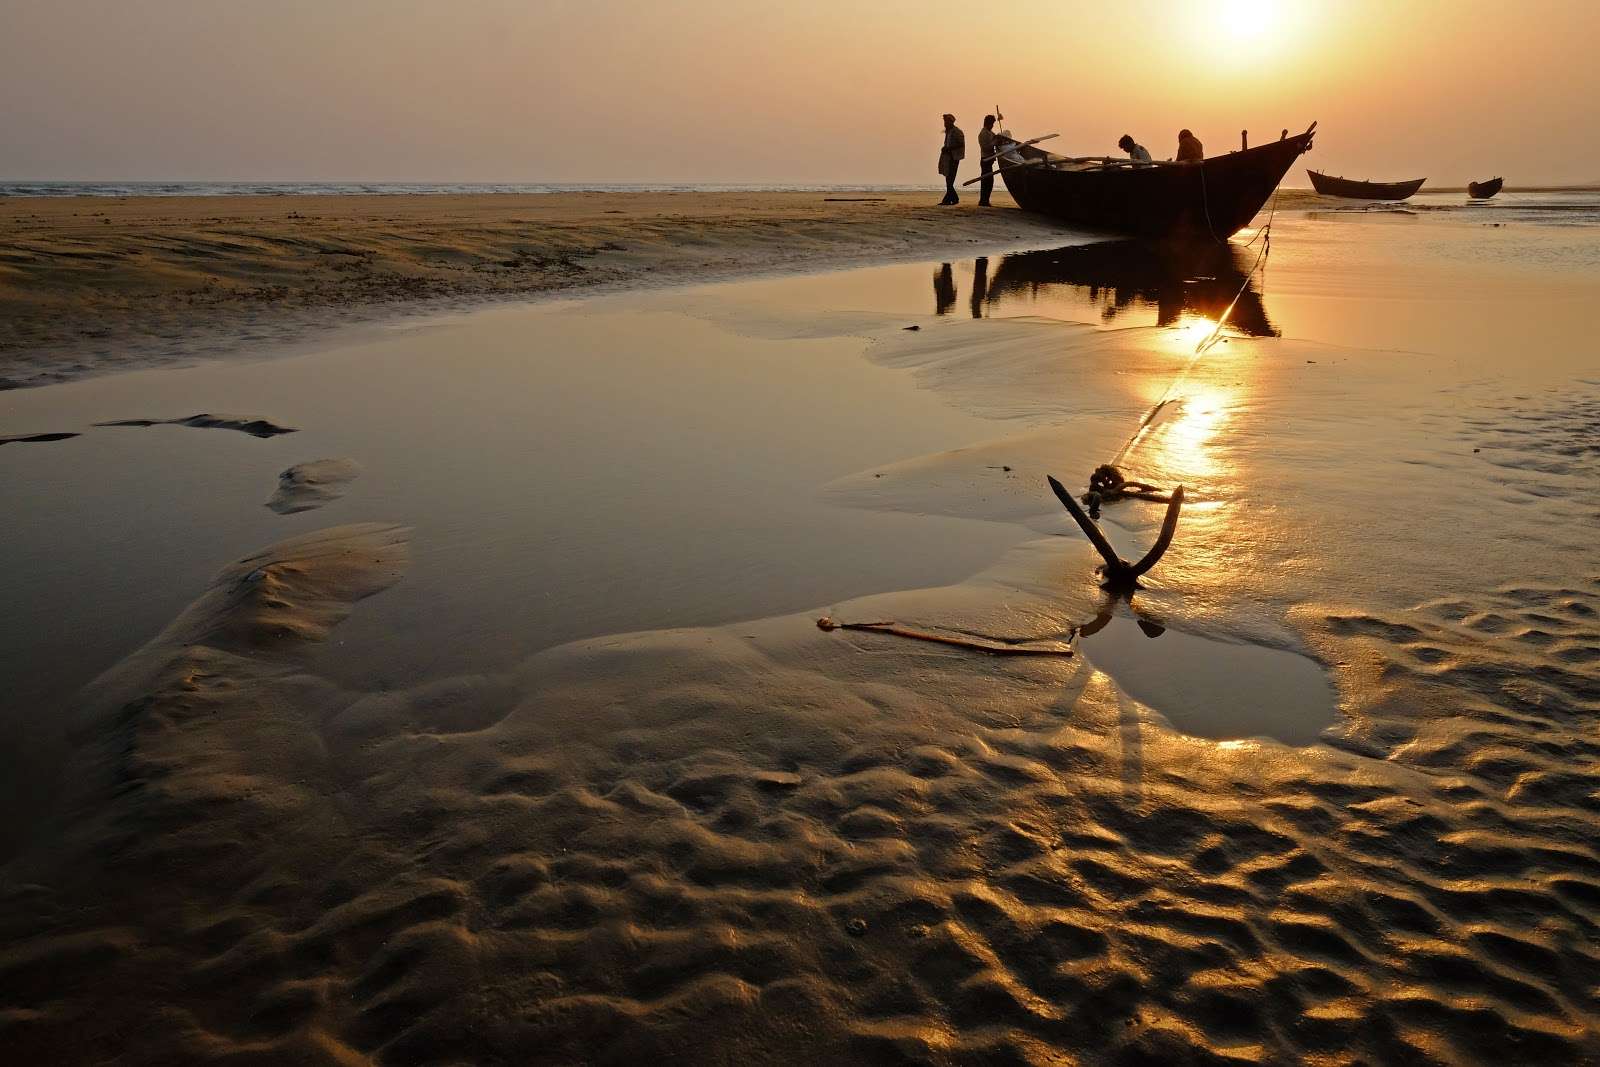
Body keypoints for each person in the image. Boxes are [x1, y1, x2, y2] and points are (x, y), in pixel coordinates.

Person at [938, 113, 965, 205]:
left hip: (954, 158)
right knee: (948, 179)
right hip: (948, 158)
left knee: (950, 180)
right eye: (944, 121)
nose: (945, 123)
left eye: (946, 121)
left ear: (951, 122)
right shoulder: (948, 132)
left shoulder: (957, 132)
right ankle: (951, 198)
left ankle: (949, 199)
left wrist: (949, 149)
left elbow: (961, 144)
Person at [976, 115, 997, 206]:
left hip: (989, 160)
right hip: (985, 160)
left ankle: (985, 200)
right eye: (992, 124)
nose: (992, 126)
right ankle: (983, 201)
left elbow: (994, 139)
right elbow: (986, 147)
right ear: (988, 123)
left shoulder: (990, 133)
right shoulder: (983, 133)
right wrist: (995, 141)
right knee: (986, 181)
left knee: (989, 181)